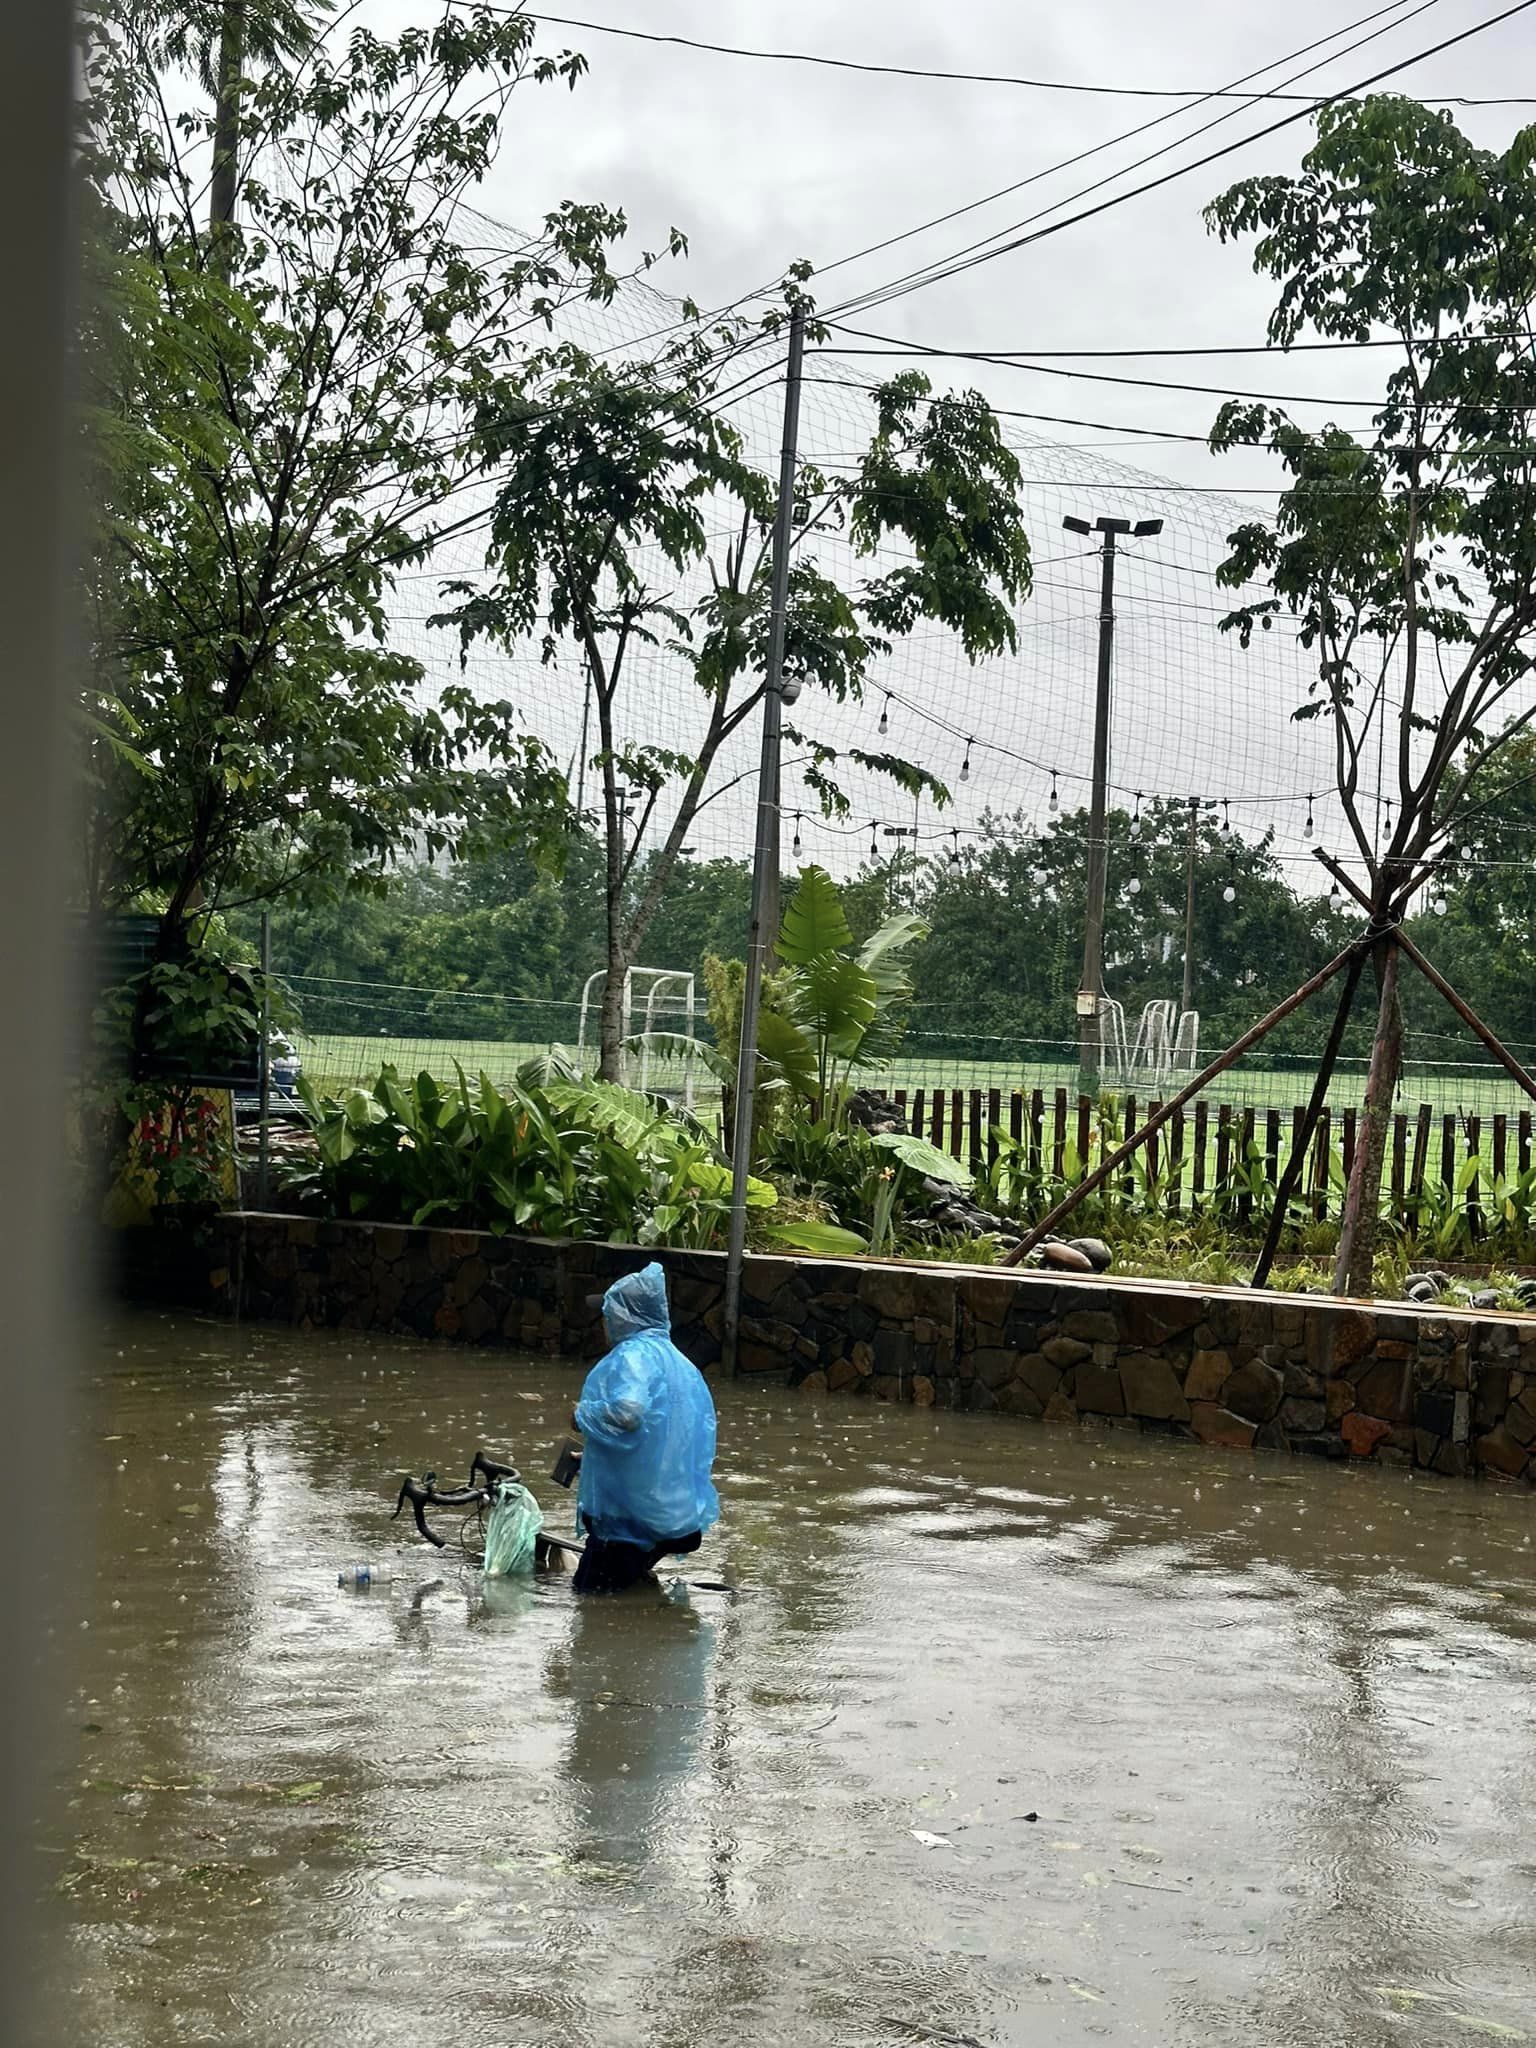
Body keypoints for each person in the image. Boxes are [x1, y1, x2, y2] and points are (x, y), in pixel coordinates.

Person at [570, 1263, 719, 1595]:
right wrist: (593, 1456)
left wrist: (582, 1415)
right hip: (677, 1518)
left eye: (607, 1313)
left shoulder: (632, 1356)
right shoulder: (681, 1363)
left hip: (629, 1524)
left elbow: (628, 1413)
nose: (603, 1322)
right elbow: (663, 1442)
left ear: (623, 1315)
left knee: (589, 1605)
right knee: (627, 1597)